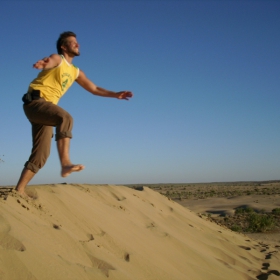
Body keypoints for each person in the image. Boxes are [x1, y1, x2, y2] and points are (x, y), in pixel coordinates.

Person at [15, 31, 133, 197]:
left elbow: (94, 88)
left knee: (41, 156)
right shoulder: (58, 59)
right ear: (64, 47)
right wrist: (44, 63)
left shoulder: (76, 71)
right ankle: (65, 163)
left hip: (47, 111)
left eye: (77, 42)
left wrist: (115, 94)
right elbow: (50, 61)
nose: (77, 44)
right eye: (73, 42)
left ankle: (19, 191)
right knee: (65, 118)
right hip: (35, 103)